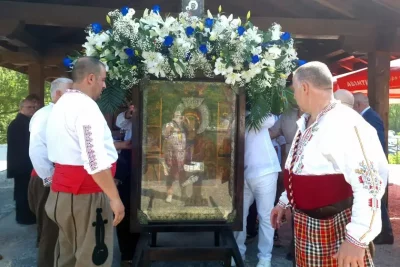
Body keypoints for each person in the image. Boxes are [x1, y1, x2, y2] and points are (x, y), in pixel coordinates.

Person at [271, 61, 388, 267]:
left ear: (304, 88)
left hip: (336, 226)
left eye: (295, 91)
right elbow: (299, 168)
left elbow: (370, 184)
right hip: (307, 224)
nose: (294, 97)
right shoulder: (307, 121)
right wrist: (284, 201)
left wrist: (356, 239)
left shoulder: (345, 123)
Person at [45, 57, 125, 267]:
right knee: (93, 257)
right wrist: (114, 198)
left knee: (67, 256)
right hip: (85, 195)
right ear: (91, 78)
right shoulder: (85, 107)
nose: (104, 85)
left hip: (63, 193)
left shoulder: (61, 103)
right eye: (103, 79)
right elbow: (95, 159)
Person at [28, 78, 72, 266]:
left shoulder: (61, 113)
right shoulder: (46, 114)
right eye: (70, 91)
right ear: (58, 93)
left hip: (57, 178)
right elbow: (37, 150)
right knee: (50, 229)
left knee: (58, 227)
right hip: (48, 178)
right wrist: (50, 178)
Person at [233, 113, 281, 267]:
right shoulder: (234, 112)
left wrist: (249, 111)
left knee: (266, 216)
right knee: (239, 216)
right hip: (242, 172)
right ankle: (237, 253)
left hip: (265, 171)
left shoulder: (259, 114)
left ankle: (265, 257)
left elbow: (270, 119)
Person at [353, 92, 394, 245]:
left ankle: (385, 234)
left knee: (376, 200)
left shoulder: (370, 118)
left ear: (357, 105)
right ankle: (382, 233)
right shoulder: (369, 116)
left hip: (373, 165)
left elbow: (377, 144)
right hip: (371, 165)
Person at [7, 98, 36, 225]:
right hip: (22, 164)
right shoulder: (18, 124)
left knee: (23, 191)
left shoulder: (24, 122)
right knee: (23, 192)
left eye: (34, 107)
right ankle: (24, 217)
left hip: (22, 164)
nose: (32, 110)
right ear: (21, 108)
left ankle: (25, 216)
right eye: (29, 107)